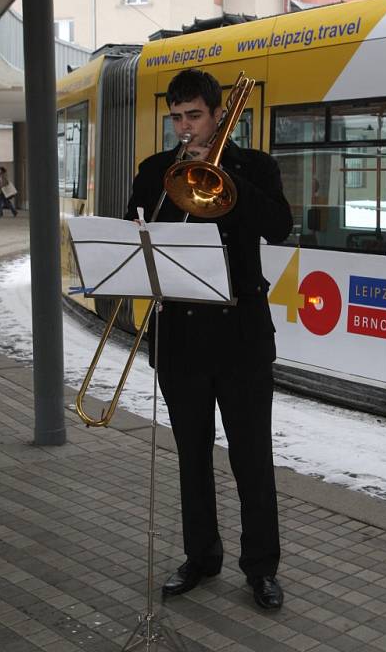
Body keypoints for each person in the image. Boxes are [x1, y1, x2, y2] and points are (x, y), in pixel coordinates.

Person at [125, 68, 293, 610]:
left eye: (193, 115)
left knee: (252, 459)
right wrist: (178, 181)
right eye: (175, 116)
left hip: (241, 336)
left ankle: (261, 568)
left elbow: (280, 227)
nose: (183, 126)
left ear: (219, 115)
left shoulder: (255, 167)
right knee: (191, 459)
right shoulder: (156, 171)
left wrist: (226, 179)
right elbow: (136, 235)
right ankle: (201, 557)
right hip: (181, 338)